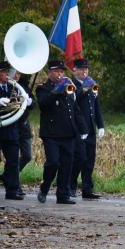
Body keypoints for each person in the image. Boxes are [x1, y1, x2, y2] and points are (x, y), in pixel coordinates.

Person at [36, 60, 88, 204]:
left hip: (68, 132)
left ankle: (62, 195)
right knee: (53, 162)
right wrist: (57, 91)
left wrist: (83, 128)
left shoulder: (68, 87)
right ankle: (45, 187)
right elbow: (43, 104)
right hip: (51, 133)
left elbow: (75, 109)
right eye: (56, 71)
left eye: (61, 71)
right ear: (49, 73)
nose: (60, 74)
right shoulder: (43, 88)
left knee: (67, 164)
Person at [70, 58, 104, 199]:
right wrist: (83, 89)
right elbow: (72, 101)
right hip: (78, 128)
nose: (84, 72)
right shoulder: (70, 84)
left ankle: (87, 189)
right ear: (75, 70)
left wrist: (100, 125)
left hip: (90, 128)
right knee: (79, 158)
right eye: (81, 69)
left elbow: (95, 107)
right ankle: (70, 186)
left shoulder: (92, 85)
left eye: (86, 69)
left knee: (90, 160)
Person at [0, 61, 26, 200]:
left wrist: (28, 102)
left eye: (7, 71)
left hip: (11, 129)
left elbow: (25, 101)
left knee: (13, 161)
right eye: (4, 72)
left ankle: (12, 191)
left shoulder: (15, 87)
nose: (7, 74)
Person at [12, 71, 35, 195]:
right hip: (10, 126)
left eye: (19, 74)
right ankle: (15, 185)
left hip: (24, 125)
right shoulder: (6, 86)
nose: (16, 76)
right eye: (14, 73)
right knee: (14, 157)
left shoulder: (23, 86)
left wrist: (29, 100)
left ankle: (8, 175)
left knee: (27, 156)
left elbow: (33, 104)